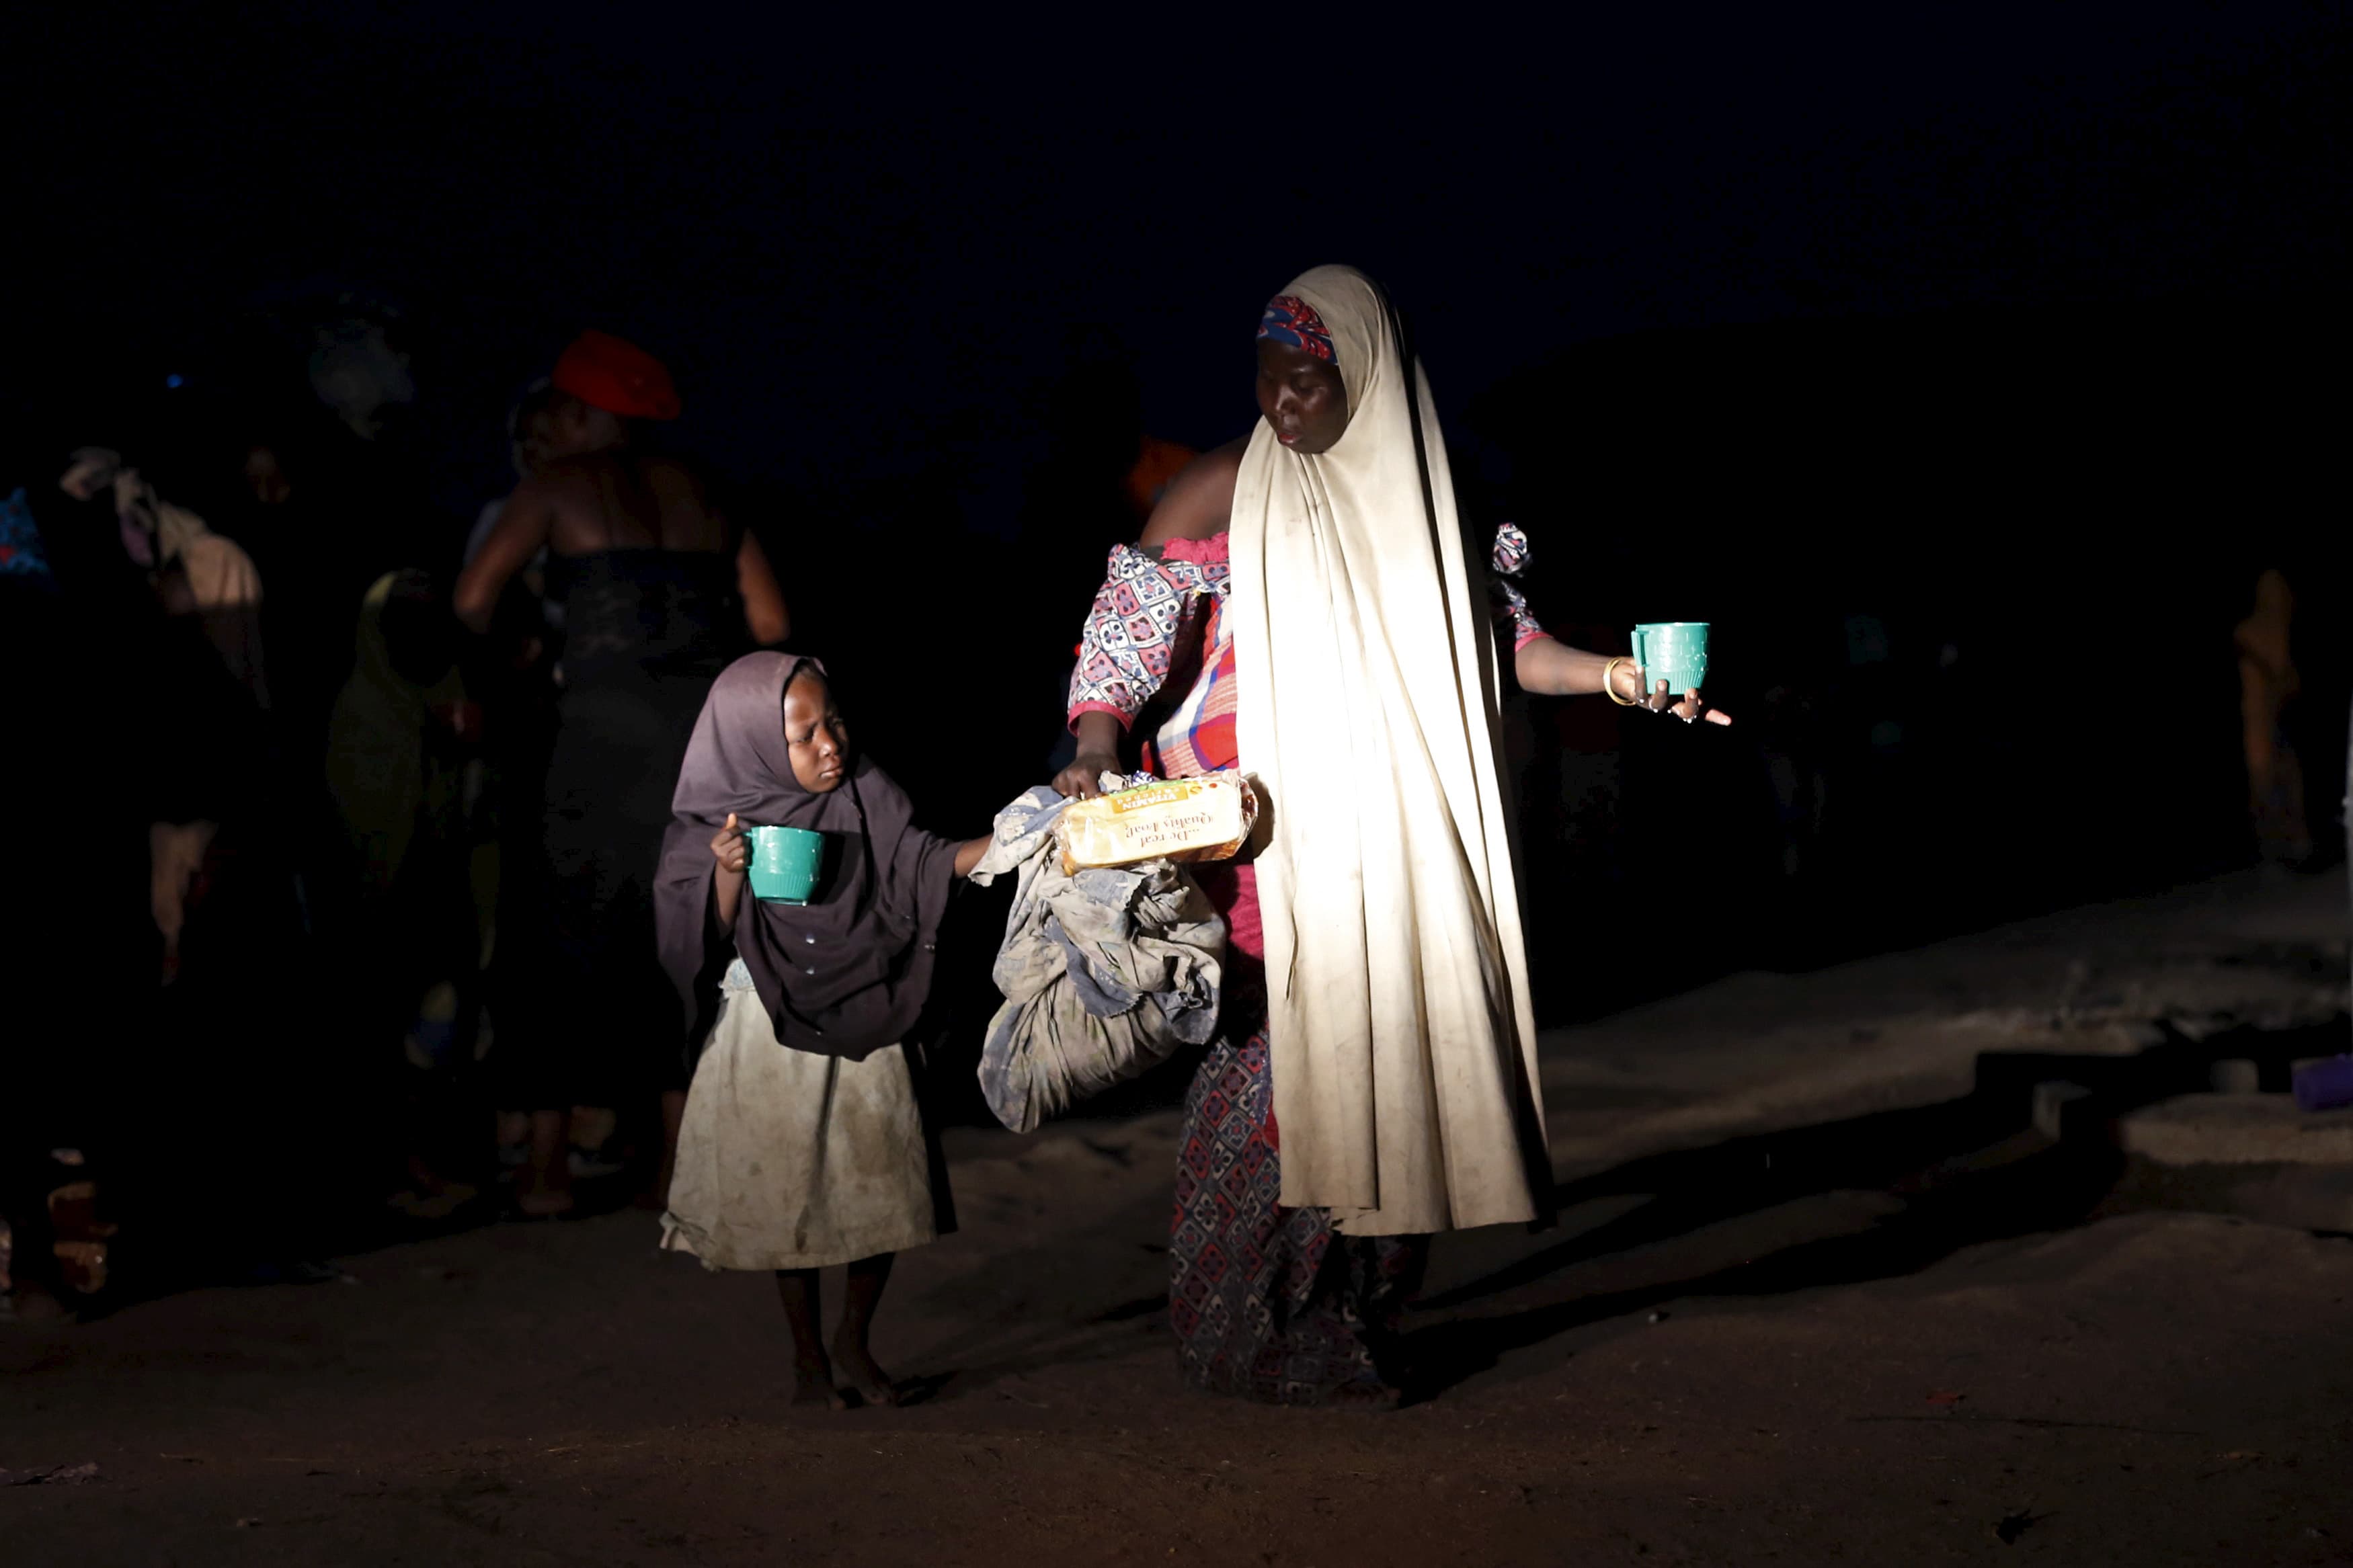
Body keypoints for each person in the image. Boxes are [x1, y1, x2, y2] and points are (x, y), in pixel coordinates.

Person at [1053, 267, 1725, 1405]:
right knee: (1265, 1083)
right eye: (1266, 378)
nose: (1284, 403)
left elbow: (1513, 651)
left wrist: (1621, 679)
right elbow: (1122, 647)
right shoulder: (1215, 491)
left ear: (1366, 376)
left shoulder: (1440, 506)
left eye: (1309, 381)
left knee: (1391, 1076)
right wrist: (1091, 747)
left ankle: (1349, 1322)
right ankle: (1237, 1322)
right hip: (1257, 849)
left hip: (1400, 844)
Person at [454, 331, 789, 1216]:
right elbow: (770, 621)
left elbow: (471, 601)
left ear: (582, 412)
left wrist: (513, 668)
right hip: (701, 747)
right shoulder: (713, 495)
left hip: (594, 742)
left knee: (567, 935)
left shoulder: (557, 487)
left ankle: (546, 1171)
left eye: (564, 408)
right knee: (685, 945)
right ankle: (675, 1168)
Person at [653, 653, 990, 1407]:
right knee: (790, 1194)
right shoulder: (716, 821)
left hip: (869, 1003)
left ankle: (853, 1338)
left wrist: (1018, 843)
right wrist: (728, 871)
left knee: (879, 1184)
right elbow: (690, 936)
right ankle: (808, 1355)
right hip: (766, 1022)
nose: (831, 744)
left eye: (832, 721)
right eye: (804, 735)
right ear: (754, 743)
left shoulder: (866, 792)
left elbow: (924, 861)